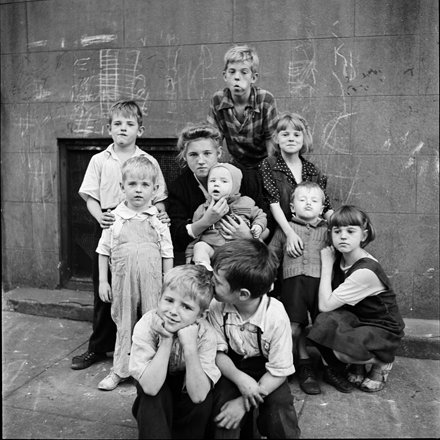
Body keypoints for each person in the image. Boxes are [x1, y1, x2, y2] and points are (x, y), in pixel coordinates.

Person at [71, 100, 169, 371]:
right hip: (109, 224)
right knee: (105, 290)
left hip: (141, 226)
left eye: (129, 124)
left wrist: (160, 214)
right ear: (109, 129)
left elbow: (158, 197)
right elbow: (90, 196)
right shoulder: (100, 160)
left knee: (140, 290)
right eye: (117, 124)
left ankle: (140, 348)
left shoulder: (148, 161)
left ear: (141, 129)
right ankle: (98, 347)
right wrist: (98, 216)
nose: (123, 129)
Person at [207, 239, 301, 439]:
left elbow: (279, 370)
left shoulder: (275, 317)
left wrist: (243, 402)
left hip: (269, 373)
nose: (210, 282)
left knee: (279, 406)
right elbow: (217, 352)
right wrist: (240, 379)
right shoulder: (217, 307)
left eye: (217, 281)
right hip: (231, 368)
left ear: (242, 294)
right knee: (223, 407)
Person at [307, 206, 405, 393]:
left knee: (341, 353)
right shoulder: (342, 259)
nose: (343, 236)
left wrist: (326, 265)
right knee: (322, 324)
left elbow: (326, 305)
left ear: (363, 235)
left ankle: (383, 360)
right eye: (337, 231)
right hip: (359, 320)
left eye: (351, 231)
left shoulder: (365, 271)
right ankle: (359, 362)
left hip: (384, 328)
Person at [96, 156, 174, 391]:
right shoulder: (114, 218)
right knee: (124, 321)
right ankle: (120, 369)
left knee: (154, 320)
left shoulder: (158, 220)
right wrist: (102, 281)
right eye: (132, 184)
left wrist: (167, 284)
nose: (138, 190)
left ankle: (152, 369)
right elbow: (103, 250)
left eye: (145, 185)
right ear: (122, 187)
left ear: (154, 189)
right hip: (122, 281)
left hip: (153, 280)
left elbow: (167, 252)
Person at [129, 265, 221, 439]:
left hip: (188, 390)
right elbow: (150, 387)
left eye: (186, 307)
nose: (173, 312)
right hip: (155, 384)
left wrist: (190, 347)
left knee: (204, 396)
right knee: (153, 398)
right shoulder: (146, 325)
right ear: (159, 298)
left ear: (201, 315)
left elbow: (199, 395)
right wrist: (166, 339)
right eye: (169, 300)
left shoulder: (206, 334)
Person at [168, 122, 273, 256]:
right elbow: (177, 236)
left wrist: (248, 236)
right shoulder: (179, 188)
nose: (201, 160)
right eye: (193, 155)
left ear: (218, 153)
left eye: (207, 153)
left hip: (244, 252)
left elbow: (268, 219)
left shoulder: (244, 177)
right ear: (184, 156)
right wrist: (206, 221)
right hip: (207, 253)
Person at [269, 181, 328, 395]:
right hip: (293, 284)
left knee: (324, 326)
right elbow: (272, 254)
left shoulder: (328, 230)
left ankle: (328, 367)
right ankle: (292, 365)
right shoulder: (286, 229)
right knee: (293, 328)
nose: (308, 204)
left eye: (314, 201)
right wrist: (268, 279)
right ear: (293, 207)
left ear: (322, 208)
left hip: (321, 285)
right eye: (302, 200)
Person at [259, 112, 334, 259]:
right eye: (285, 134)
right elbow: (273, 203)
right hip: (279, 233)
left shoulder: (313, 171)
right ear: (276, 138)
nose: (291, 138)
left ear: (304, 139)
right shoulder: (269, 165)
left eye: (297, 135)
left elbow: (325, 207)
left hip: (307, 235)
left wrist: (343, 226)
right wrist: (290, 233)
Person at [207, 44, 279, 170]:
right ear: (225, 76)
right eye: (232, 71)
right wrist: (214, 170)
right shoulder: (218, 100)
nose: (237, 77)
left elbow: (271, 142)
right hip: (236, 165)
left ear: (253, 77)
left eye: (244, 72)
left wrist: (270, 173)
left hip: (263, 165)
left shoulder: (265, 100)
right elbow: (212, 140)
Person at [186, 163, 268, 268]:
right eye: (212, 181)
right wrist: (189, 253)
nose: (216, 184)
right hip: (213, 249)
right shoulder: (203, 208)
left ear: (235, 185)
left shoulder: (246, 202)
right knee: (200, 246)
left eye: (224, 181)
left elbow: (260, 215)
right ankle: (204, 266)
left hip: (238, 249)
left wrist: (258, 226)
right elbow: (196, 234)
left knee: (250, 256)